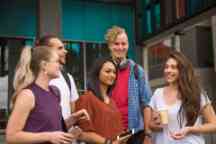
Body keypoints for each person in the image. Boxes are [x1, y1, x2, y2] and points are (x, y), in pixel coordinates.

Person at [6, 46, 75, 144]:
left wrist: (73, 120)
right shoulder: (28, 95)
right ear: (44, 65)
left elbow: (48, 127)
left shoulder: (55, 92)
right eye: (56, 61)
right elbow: (11, 136)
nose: (60, 66)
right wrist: (48, 136)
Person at [148, 51, 216, 144]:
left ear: (182, 70)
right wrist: (157, 123)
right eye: (166, 67)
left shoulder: (196, 93)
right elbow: (150, 125)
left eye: (173, 67)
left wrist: (190, 129)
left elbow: (214, 125)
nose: (168, 70)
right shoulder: (157, 94)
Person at [105, 26, 152, 143]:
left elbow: (147, 104)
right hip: (110, 133)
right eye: (116, 44)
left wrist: (147, 134)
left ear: (128, 45)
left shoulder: (137, 70)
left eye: (124, 44)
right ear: (110, 46)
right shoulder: (103, 70)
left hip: (134, 133)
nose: (120, 47)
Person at [36, 35, 88, 129]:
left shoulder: (68, 77)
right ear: (47, 52)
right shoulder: (33, 81)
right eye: (60, 48)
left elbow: (72, 110)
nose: (65, 51)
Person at [75, 57, 124, 144]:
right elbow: (81, 133)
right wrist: (108, 142)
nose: (112, 75)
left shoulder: (112, 102)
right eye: (107, 71)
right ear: (97, 73)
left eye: (114, 72)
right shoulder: (86, 98)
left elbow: (118, 132)